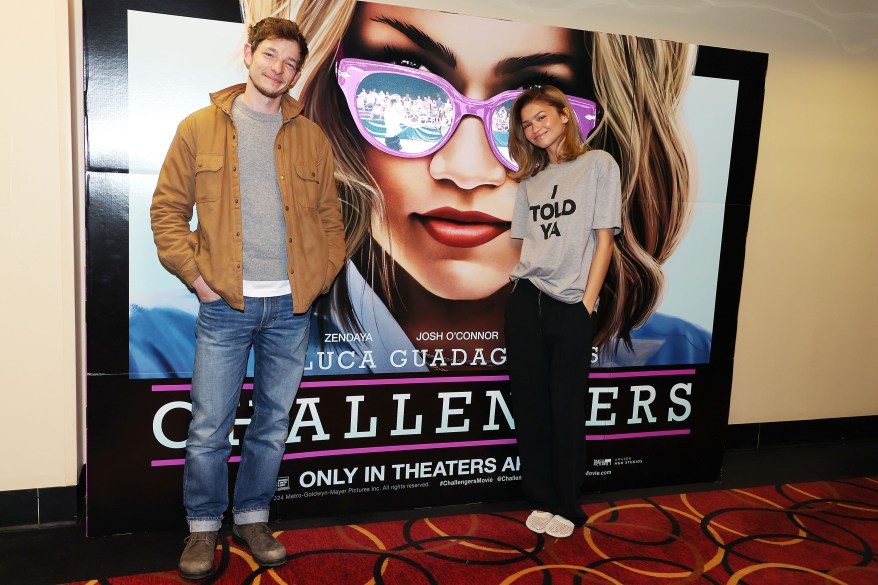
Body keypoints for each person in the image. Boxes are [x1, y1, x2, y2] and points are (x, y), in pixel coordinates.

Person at [129, 1, 710, 378]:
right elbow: (168, 212)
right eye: (402, 95)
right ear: (332, 103)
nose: (466, 167)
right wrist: (203, 279)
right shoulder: (161, 353)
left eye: (525, 112)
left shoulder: (677, 354)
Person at [149, 16, 345, 579]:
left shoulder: (311, 136)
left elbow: (331, 219)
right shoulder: (199, 127)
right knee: (209, 425)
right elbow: (166, 213)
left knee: (273, 421)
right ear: (248, 54)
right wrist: (197, 276)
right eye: (271, 56)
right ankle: (203, 528)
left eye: (290, 63)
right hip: (225, 304)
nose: (279, 70)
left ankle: (254, 516)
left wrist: (322, 275)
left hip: (292, 307)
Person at [504, 86, 621, 538]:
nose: (535, 128)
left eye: (540, 117)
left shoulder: (598, 165)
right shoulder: (529, 183)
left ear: (565, 115)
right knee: (531, 406)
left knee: (566, 408)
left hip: (569, 303)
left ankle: (569, 507)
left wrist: (586, 306)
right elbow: (528, 246)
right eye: (527, 124)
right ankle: (542, 497)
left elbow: (605, 242)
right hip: (525, 298)